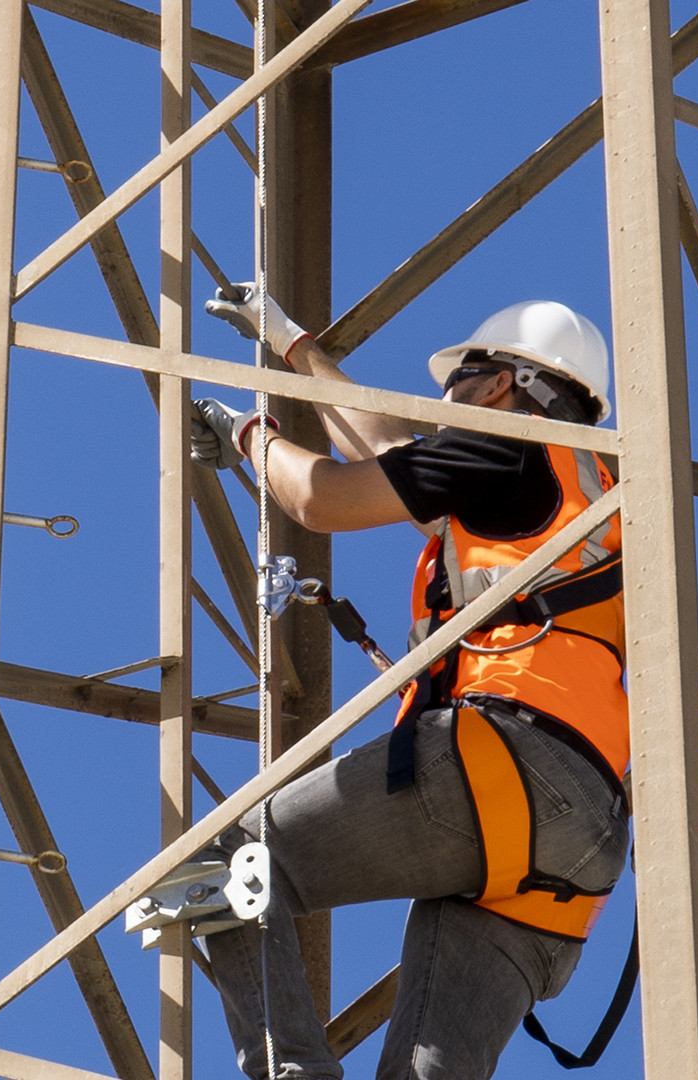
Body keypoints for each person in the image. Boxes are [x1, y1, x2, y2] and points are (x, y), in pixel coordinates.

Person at [187, 286, 631, 1080]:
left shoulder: (507, 447)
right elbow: (393, 451)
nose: (443, 402)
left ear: (502, 385)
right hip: (577, 847)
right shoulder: (592, 493)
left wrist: (251, 438)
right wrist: (296, 349)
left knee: (229, 860)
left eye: (458, 384)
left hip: (502, 761)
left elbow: (319, 497)